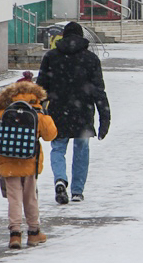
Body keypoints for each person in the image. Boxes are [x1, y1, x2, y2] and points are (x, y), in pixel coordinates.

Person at [37, 21, 111, 204]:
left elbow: (40, 89)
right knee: (81, 149)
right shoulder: (91, 59)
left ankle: (60, 180)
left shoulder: (51, 57)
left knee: (58, 148)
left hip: (57, 112)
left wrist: (37, 114)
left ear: (63, 36)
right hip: (83, 113)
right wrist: (104, 120)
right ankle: (77, 191)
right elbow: (99, 92)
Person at [0, 72, 57, 249]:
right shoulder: (37, 112)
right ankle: (34, 233)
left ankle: (15, 234)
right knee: (30, 198)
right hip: (30, 162)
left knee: (14, 199)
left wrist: (7, 148)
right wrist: (45, 114)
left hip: (8, 162)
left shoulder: (4, 112)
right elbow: (50, 135)